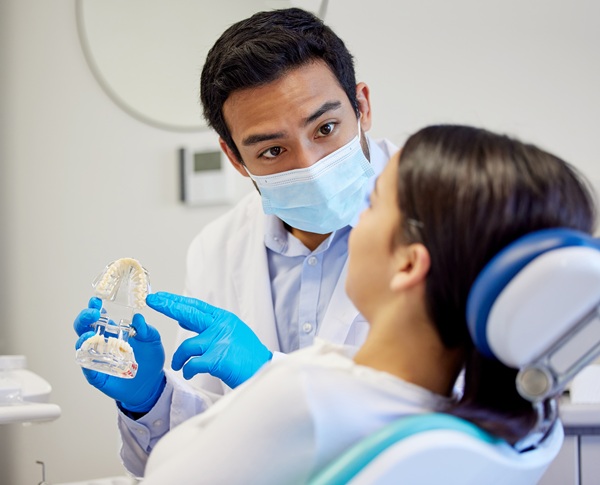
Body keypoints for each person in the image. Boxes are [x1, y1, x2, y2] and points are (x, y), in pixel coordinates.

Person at [137, 124, 596, 484]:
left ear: (408, 264)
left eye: (373, 203)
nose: (354, 217)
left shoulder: (306, 398)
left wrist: (263, 383)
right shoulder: (523, 424)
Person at [73, 7, 396, 477]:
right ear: (234, 157)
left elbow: (461, 427)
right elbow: (215, 447)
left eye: (325, 129)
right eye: (271, 150)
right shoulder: (216, 248)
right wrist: (150, 401)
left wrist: (269, 376)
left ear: (362, 106)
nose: (308, 164)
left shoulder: (449, 218)